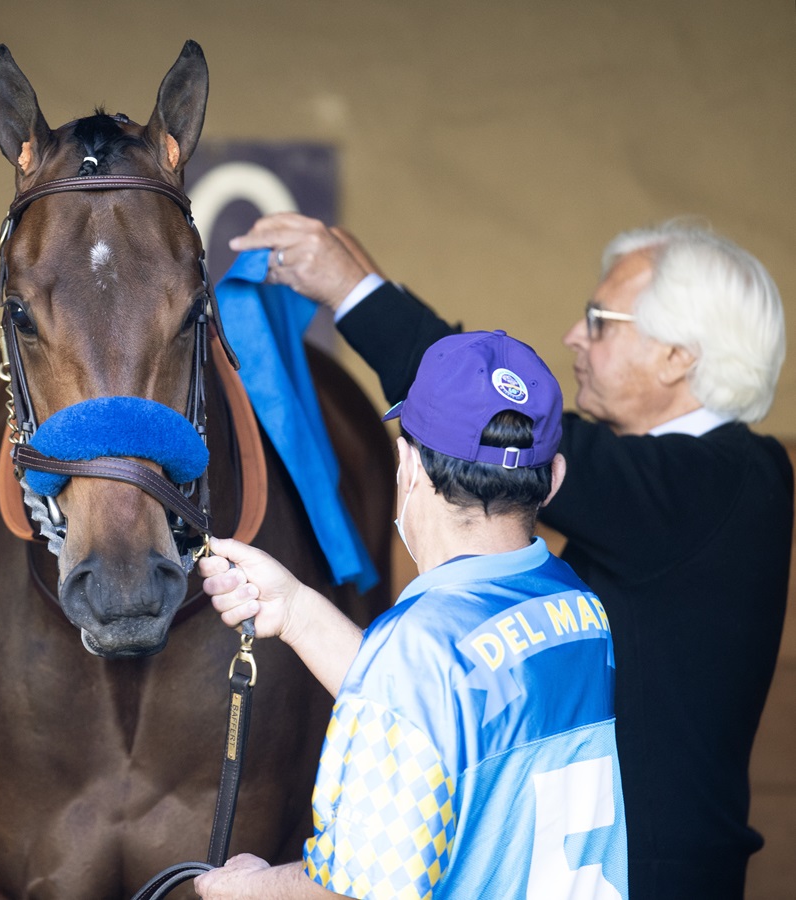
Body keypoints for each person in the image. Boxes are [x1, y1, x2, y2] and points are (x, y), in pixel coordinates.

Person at [226, 213, 793, 899]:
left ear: (679, 356)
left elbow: (492, 423)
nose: (572, 336)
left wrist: (354, 288)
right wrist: (293, 609)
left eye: (600, 319)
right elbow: (434, 702)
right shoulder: (584, 570)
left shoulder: (722, 482)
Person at [194, 330, 629, 899]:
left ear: (408, 466)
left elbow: (357, 889)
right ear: (554, 479)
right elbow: (444, 714)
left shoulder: (417, 649)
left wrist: (246, 889)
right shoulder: (577, 608)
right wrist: (296, 611)